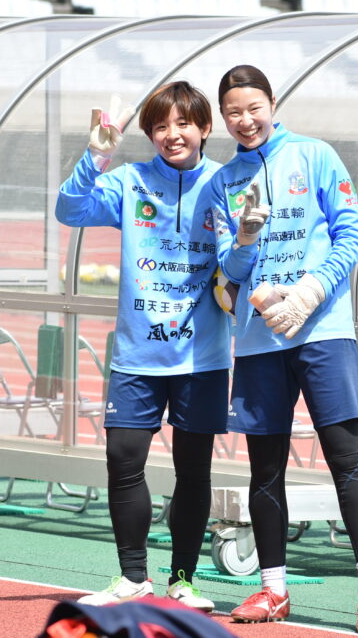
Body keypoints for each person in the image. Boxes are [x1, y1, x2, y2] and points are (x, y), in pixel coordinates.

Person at [203, 65, 358, 634]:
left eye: (253, 108)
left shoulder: (316, 156)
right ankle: (273, 590)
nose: (245, 120)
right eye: (233, 112)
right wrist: (245, 243)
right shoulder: (223, 182)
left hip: (323, 333)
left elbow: (352, 234)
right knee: (265, 468)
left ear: (272, 103)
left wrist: (310, 292)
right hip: (260, 342)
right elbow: (229, 272)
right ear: (223, 118)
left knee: (345, 457)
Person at [55, 82, 230, 612]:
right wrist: (96, 155)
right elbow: (70, 209)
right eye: (159, 127)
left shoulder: (225, 182)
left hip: (201, 357)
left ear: (204, 128)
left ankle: (184, 580)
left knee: (193, 470)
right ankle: (133, 577)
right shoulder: (129, 181)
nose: (171, 135)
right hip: (137, 355)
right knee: (122, 459)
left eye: (183, 124)